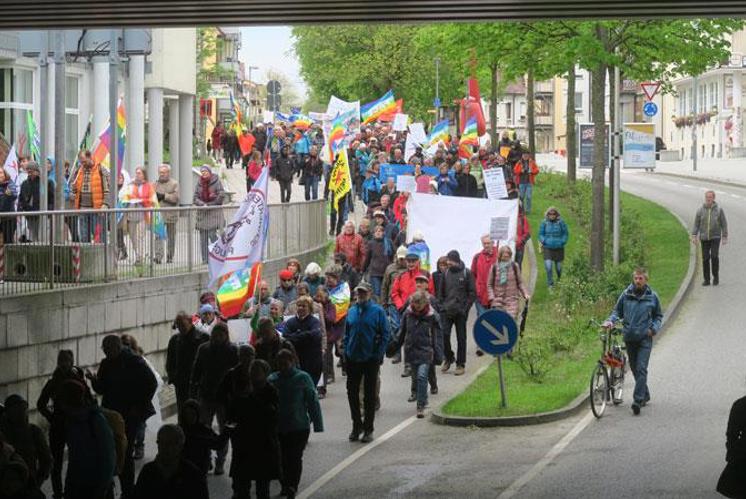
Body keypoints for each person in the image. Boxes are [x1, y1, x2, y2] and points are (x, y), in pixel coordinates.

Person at [86, 334, 157, 498]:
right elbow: (102, 388)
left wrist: (138, 406)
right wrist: (93, 380)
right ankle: (111, 488)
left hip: (130, 414)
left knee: (125, 452)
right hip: (113, 413)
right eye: (104, 350)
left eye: (107, 350)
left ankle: (127, 491)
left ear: (117, 348)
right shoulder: (107, 363)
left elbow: (151, 383)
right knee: (110, 450)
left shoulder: (134, 361)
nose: (105, 353)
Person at [603, 268, 663, 415]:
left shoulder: (652, 297)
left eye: (641, 278)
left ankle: (637, 401)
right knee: (635, 368)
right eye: (636, 278)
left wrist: (653, 329)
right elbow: (617, 311)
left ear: (646, 280)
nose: (638, 281)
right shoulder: (626, 295)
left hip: (644, 338)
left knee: (641, 368)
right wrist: (610, 321)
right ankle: (645, 394)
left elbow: (658, 316)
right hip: (629, 337)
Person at [268, 349, 324, 499]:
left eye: (285, 363)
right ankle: (285, 484)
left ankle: (292, 485)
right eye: (280, 363)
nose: (283, 366)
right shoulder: (272, 380)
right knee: (281, 458)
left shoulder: (303, 378)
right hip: (279, 427)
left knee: (294, 457)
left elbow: (313, 402)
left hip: (298, 427)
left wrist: (317, 424)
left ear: (292, 361)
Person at [36, 349, 89, 499]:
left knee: (74, 461)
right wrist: (53, 418)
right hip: (62, 425)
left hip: (71, 424)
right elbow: (41, 404)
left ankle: (67, 491)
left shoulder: (77, 379)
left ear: (71, 362)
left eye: (66, 360)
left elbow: (89, 401)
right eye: (61, 360)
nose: (63, 363)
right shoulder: (55, 382)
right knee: (58, 462)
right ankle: (59, 493)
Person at [227, 359, 281, 499]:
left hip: (263, 443)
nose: (254, 374)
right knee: (241, 488)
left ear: (265, 373)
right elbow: (232, 415)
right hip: (243, 444)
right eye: (252, 371)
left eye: (257, 371)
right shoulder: (241, 389)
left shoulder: (270, 391)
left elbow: (272, 415)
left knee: (262, 488)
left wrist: (252, 398)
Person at [344, 282, 390, 443]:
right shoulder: (351, 311)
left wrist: (378, 354)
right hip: (353, 357)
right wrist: (345, 353)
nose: (360, 295)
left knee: (369, 395)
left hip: (370, 358)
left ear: (370, 293)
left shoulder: (377, 311)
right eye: (358, 293)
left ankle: (368, 429)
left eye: (363, 293)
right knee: (352, 393)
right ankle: (356, 426)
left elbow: (385, 334)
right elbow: (347, 333)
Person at [190, 322, 238, 475]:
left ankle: (220, 461)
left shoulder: (232, 350)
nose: (217, 338)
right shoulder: (204, 349)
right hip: (206, 394)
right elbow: (196, 371)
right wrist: (193, 391)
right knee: (204, 429)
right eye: (215, 335)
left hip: (224, 397)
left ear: (225, 335)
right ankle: (206, 459)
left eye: (220, 335)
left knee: (224, 431)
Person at [56, 379, 117, 499]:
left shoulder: (95, 420)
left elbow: (108, 457)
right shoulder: (70, 421)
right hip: (77, 485)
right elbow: (74, 458)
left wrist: (102, 488)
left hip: (96, 485)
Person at [399, 290, 444, 418]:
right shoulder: (408, 313)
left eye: (419, 306)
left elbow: (438, 336)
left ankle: (421, 405)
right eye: (414, 305)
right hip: (411, 350)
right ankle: (421, 396)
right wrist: (393, 347)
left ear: (425, 303)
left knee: (422, 376)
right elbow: (401, 332)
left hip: (426, 350)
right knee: (415, 377)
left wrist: (439, 353)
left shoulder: (432, 316)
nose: (417, 309)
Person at [133, 424, 209, 499]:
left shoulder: (193, 474)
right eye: (162, 443)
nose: (166, 447)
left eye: (171, 443)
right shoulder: (147, 472)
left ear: (181, 446)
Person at [0, 395, 52, 495]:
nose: (21, 413)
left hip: (28, 485)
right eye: (17, 409)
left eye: (23, 409)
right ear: (8, 413)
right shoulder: (3, 433)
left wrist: (37, 482)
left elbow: (47, 461)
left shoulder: (34, 432)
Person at [438, 250, 476, 376]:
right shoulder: (445, 273)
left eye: (450, 260)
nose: (448, 263)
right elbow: (441, 293)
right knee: (444, 335)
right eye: (448, 260)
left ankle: (460, 364)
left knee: (461, 338)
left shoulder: (467, 273)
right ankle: (449, 357)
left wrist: (465, 309)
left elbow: (472, 293)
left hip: (460, 312)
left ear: (457, 260)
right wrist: (442, 307)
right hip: (446, 311)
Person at [166, 312, 210, 414]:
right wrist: (172, 377)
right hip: (181, 383)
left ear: (190, 322)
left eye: (182, 325)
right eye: (178, 326)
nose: (180, 328)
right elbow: (170, 361)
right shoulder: (174, 340)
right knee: (182, 410)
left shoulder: (203, 338)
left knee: (196, 411)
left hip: (197, 383)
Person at [177, 399, 226, 476]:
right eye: (187, 414)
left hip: (200, 469)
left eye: (193, 414)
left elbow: (218, 444)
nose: (190, 417)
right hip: (186, 470)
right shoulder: (179, 431)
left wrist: (227, 431)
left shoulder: (204, 430)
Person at [282, 296, 323, 386]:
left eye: (304, 306)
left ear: (309, 308)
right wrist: (305, 336)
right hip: (296, 362)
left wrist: (296, 336)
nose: (301, 308)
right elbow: (285, 337)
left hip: (312, 363)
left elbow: (315, 335)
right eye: (299, 305)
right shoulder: (290, 322)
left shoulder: (314, 322)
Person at [70, 150, 110, 243]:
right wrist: (73, 190)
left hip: (97, 210)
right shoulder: (78, 171)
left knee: (98, 237)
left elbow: (108, 188)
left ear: (90, 157)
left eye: (84, 161)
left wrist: (105, 204)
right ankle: (85, 256)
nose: (82, 164)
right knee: (84, 237)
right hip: (83, 209)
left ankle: (100, 256)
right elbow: (74, 190)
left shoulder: (101, 169)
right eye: (81, 162)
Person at [691, 190, 728, 286]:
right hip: (704, 237)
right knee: (705, 258)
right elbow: (696, 224)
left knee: (714, 256)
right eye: (707, 197)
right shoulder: (700, 210)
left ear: (713, 198)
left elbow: (724, 224)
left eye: (710, 197)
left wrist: (724, 236)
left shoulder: (719, 209)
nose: (708, 199)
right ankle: (706, 280)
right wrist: (694, 235)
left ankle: (716, 277)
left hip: (715, 236)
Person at [193, 165, 225, 264]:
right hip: (202, 214)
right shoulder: (199, 183)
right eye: (202, 172)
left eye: (205, 171)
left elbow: (221, 195)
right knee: (203, 237)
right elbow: (195, 197)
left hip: (213, 213)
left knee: (212, 235)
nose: (204, 173)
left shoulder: (217, 182)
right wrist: (202, 204)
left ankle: (218, 256)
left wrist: (210, 203)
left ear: (209, 172)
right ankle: (205, 259)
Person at [487, 246, 530, 320]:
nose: (506, 258)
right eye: (504, 256)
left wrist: (525, 293)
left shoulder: (514, 266)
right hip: (498, 301)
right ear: (500, 256)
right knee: (499, 323)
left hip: (512, 300)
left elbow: (520, 283)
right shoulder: (494, 267)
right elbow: (489, 285)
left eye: (508, 256)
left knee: (510, 321)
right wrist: (492, 297)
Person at [717, 391, 746, 498]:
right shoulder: (740, 404)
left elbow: (731, 435)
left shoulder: (740, 404)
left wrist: (732, 455)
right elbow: (731, 435)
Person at [18, 161, 54, 242]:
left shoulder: (47, 182)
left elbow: (52, 198)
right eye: (28, 171)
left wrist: (49, 210)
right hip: (30, 215)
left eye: (31, 171)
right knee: (33, 238)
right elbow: (21, 198)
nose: (29, 173)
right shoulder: (24, 184)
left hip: (43, 215)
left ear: (37, 171)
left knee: (43, 238)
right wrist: (22, 208)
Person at [154, 164, 179, 264]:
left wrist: (164, 196)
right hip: (158, 214)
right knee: (158, 236)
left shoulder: (174, 183)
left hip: (170, 214)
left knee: (171, 237)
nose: (161, 174)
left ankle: (170, 256)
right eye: (160, 172)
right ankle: (158, 256)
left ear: (168, 173)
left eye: (163, 172)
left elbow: (176, 198)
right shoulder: (155, 184)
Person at [538, 206, 569, 287]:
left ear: (556, 214)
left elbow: (565, 233)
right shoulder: (544, 223)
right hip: (547, 248)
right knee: (548, 267)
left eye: (553, 214)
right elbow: (540, 234)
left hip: (559, 248)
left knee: (559, 268)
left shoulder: (561, 223)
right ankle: (550, 284)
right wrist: (544, 241)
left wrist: (563, 241)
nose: (552, 215)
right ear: (547, 215)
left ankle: (559, 279)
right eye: (550, 214)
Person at [471, 234, 499, 318]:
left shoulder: (499, 256)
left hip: (495, 295)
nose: (486, 245)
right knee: (482, 320)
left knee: (494, 320)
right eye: (484, 243)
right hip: (480, 295)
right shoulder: (477, 257)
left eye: (488, 243)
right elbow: (473, 274)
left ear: (492, 243)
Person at [363, 224, 394, 300]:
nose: (378, 232)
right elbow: (367, 258)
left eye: (380, 231)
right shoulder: (371, 243)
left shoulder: (388, 242)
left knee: (385, 292)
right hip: (375, 272)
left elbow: (393, 254)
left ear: (383, 232)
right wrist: (363, 269)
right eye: (376, 231)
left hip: (386, 271)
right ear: (373, 233)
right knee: (377, 293)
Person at [0, 166, 17, 244]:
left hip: (8, 219)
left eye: (0, 173)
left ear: (4, 174)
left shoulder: (10, 183)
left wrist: (6, 196)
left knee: (8, 243)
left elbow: (13, 195)